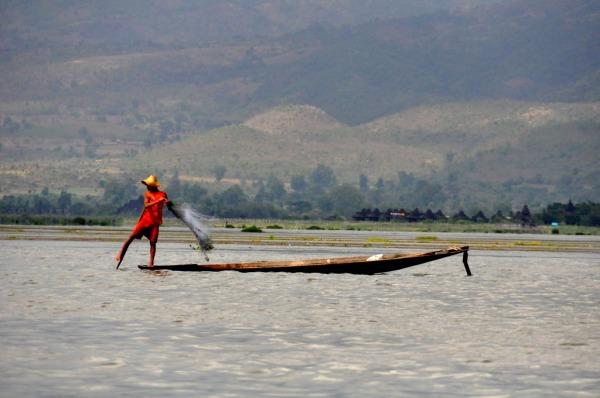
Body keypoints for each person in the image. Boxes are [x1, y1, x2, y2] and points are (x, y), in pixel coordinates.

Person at [116, 175, 171, 268]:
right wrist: (158, 201)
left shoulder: (163, 194)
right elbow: (146, 205)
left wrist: (168, 203)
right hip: (145, 221)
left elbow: (167, 204)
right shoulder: (147, 194)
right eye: (147, 184)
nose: (147, 186)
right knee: (131, 237)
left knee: (153, 243)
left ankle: (151, 263)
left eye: (148, 185)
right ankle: (120, 255)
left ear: (154, 185)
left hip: (155, 222)